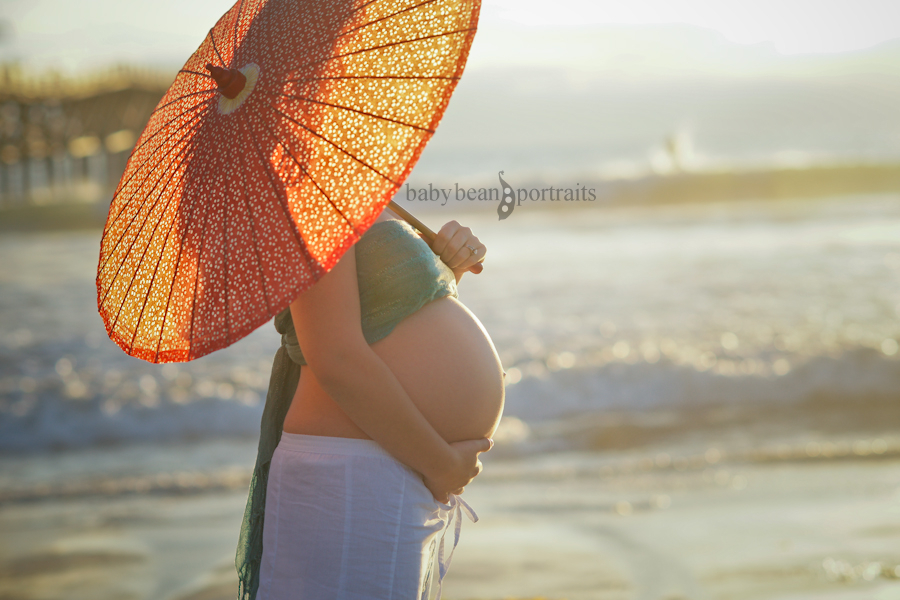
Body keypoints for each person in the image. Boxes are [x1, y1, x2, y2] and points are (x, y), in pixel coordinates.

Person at [236, 206, 507, 600]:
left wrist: (445, 270)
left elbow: (378, 319)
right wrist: (441, 464)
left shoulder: (347, 186)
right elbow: (335, 356)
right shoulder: (307, 190)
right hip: (351, 477)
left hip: (380, 464)